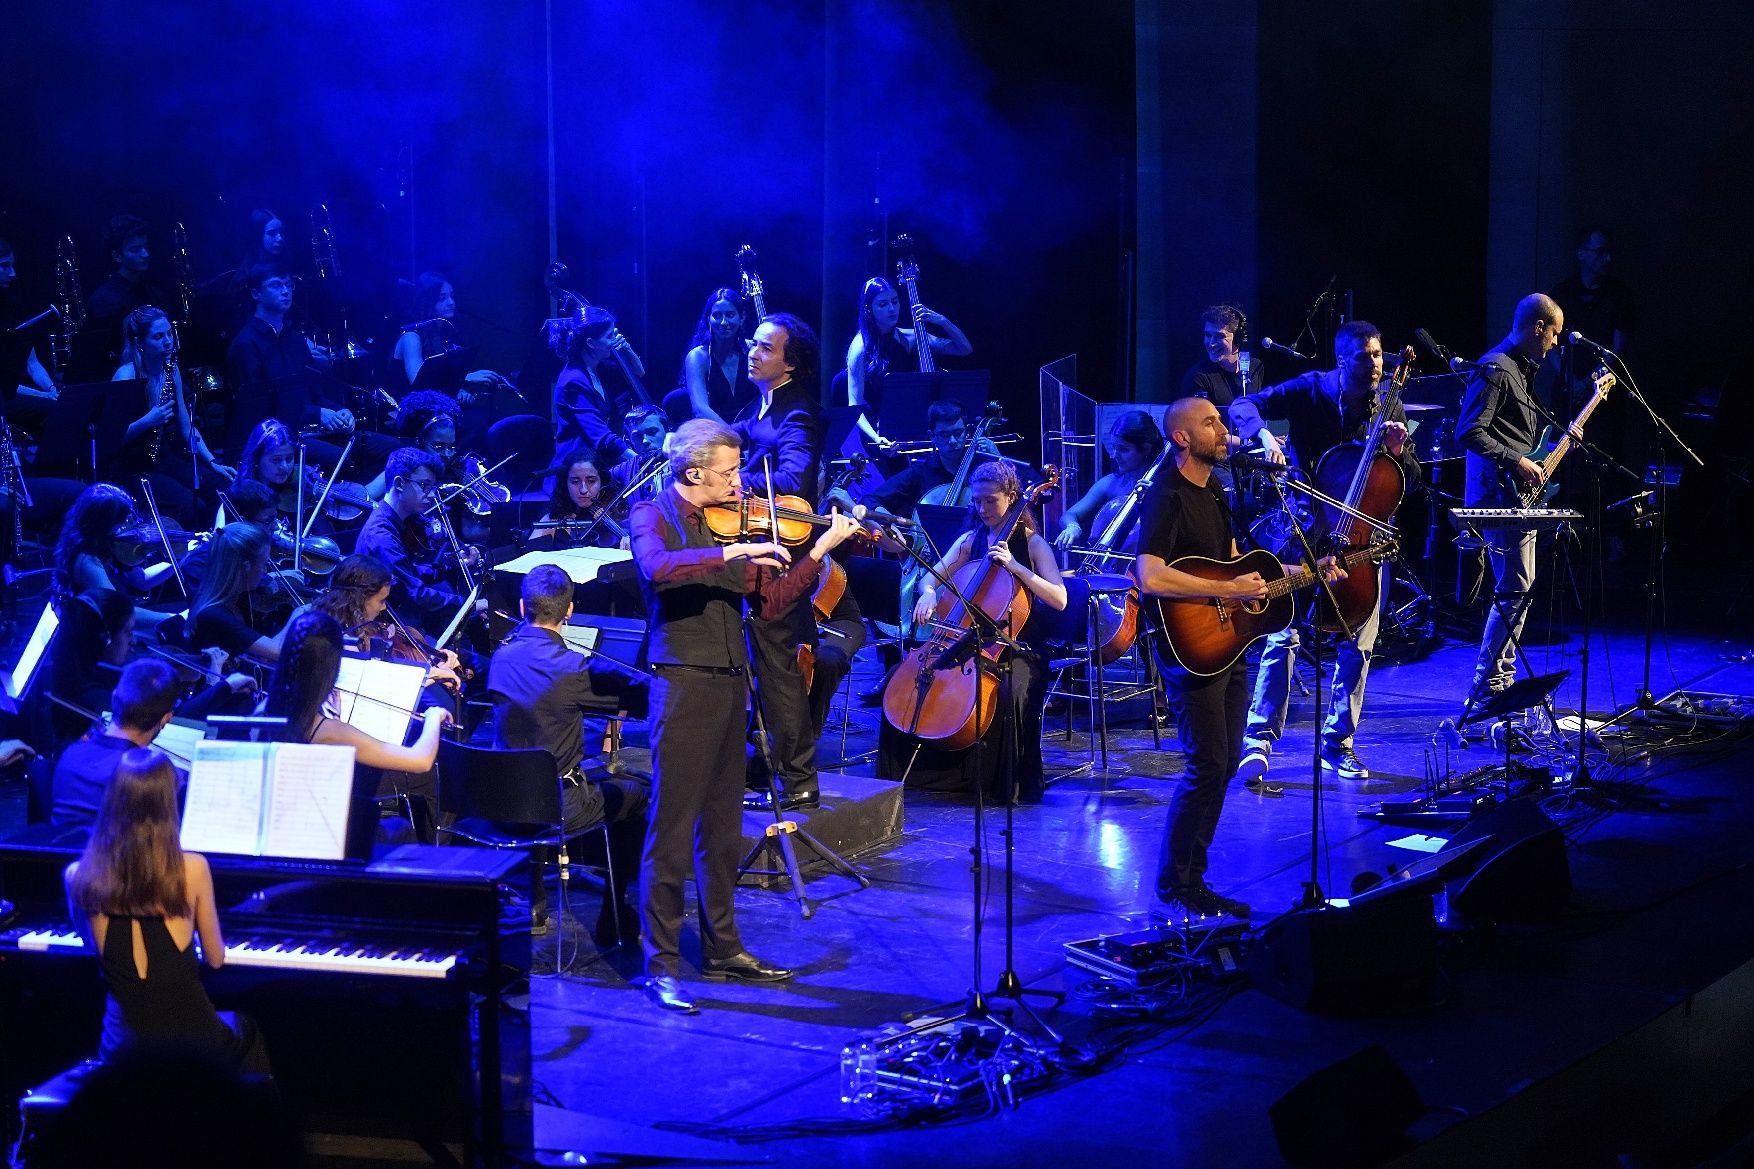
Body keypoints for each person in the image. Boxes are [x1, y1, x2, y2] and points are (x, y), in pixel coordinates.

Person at [628, 418, 862, 1012]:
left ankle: (724, 947)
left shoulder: (731, 524)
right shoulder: (652, 515)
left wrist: (822, 549)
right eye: (730, 473)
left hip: (733, 686)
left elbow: (774, 600)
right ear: (694, 472)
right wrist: (733, 550)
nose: (740, 485)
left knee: (723, 830)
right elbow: (659, 568)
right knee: (671, 829)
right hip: (680, 687)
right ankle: (659, 964)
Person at [1135, 397, 1343, 918]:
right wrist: (1227, 591)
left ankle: (1192, 881)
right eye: (1211, 422)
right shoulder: (1167, 494)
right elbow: (1150, 576)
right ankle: (1176, 886)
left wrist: (1305, 573)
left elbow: (1234, 568)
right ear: (1182, 437)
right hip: (1190, 649)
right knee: (1205, 765)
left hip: (1228, 644)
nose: (1224, 429)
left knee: (1223, 765)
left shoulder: (1218, 493)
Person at [1234, 320, 1419, 784]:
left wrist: (1399, 452)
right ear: (1342, 360)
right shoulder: (1310, 390)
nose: (1375, 364)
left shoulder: (1389, 401)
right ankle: (1258, 739)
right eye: (1365, 357)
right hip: (1307, 528)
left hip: (1362, 539)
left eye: (1379, 355)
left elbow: (1406, 481)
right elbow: (1244, 403)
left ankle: (1338, 744)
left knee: (1360, 640)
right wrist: (1262, 438)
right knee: (1284, 633)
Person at [63, 747, 271, 1072]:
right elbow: (216, 959)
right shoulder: (193, 867)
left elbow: (94, 947)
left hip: (121, 1047)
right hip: (192, 1041)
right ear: (169, 800)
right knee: (247, 1029)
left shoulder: (79, 874)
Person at [879, 459, 1067, 803]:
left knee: (1010, 689)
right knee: (899, 675)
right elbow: (930, 576)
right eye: (977, 501)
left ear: (1012, 497)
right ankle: (917, 774)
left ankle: (1003, 784)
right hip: (964, 641)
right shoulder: (970, 540)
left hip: (1015, 645)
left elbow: (1059, 598)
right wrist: (930, 593)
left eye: (990, 501)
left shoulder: (1033, 543)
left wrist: (1016, 568)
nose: (982, 509)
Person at [486, 563, 649, 942]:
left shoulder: (502, 657)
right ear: (570, 611)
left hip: (495, 801)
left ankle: (533, 902)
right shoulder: (572, 668)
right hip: (553, 807)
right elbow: (637, 691)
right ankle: (615, 917)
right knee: (638, 796)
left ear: (524, 609)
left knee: (539, 770)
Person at [1458, 293, 1572, 704]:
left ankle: (1498, 678)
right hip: (1499, 495)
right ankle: (1489, 683)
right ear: (1537, 326)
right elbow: (1469, 430)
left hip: (1517, 495)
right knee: (1516, 585)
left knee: (1520, 585)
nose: (1556, 343)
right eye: (1554, 333)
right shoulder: (1495, 368)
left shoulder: (1520, 371)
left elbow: (1515, 435)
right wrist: (1518, 461)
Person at [260, 610, 450, 833]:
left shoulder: (265, 709)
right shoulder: (327, 730)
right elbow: (420, 760)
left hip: (286, 819)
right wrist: (433, 718)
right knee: (402, 824)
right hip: (321, 831)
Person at [112, 305, 233, 521]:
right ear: (140, 342)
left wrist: (212, 461)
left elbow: (187, 428)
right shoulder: (126, 375)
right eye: (158, 336)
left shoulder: (171, 369)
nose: (168, 341)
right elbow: (112, 437)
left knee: (222, 488)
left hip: (167, 460)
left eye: (169, 333)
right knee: (190, 504)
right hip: (136, 468)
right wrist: (148, 421)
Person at [354, 447, 477, 635]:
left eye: (433, 487)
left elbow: (405, 573)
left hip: (403, 618)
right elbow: (415, 594)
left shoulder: (396, 523)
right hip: (385, 629)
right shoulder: (381, 535)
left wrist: (449, 565)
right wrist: (469, 605)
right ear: (400, 483)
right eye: (424, 485)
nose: (433, 494)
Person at [842, 276, 972, 450]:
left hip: (911, 425)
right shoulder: (859, 348)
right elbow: (854, 406)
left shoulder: (910, 337)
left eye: (895, 301)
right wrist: (877, 438)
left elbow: (964, 348)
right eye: (883, 304)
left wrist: (942, 320)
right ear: (868, 309)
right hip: (877, 431)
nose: (892, 309)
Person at [52, 659, 179, 827]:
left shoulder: (70, 754)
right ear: (166, 718)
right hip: (117, 854)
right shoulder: (152, 775)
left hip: (60, 852)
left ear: (113, 698)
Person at [1054, 409, 1165, 554]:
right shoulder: (1111, 482)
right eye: (1114, 448)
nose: (1115, 455)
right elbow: (1069, 515)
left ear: (1145, 449)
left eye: (1123, 449)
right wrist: (1072, 527)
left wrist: (1157, 499)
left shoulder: (1164, 486)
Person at [186, 522, 294, 665]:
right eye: (263, 564)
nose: (265, 572)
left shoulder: (241, 598)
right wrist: (299, 614)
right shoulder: (213, 614)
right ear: (246, 567)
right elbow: (277, 651)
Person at [551, 305, 645, 468]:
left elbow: (639, 373)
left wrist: (627, 348)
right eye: (609, 336)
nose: (614, 340)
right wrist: (638, 461)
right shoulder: (573, 381)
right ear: (591, 343)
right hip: (577, 467)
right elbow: (599, 434)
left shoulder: (599, 367)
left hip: (597, 459)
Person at [83, 215, 165, 376]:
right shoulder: (104, 300)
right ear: (117, 256)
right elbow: (103, 357)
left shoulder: (154, 293)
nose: (145, 254)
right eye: (135, 249)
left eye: (146, 247)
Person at [670, 287, 753, 424]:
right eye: (717, 316)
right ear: (708, 319)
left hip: (752, 428)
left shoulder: (753, 349)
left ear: (742, 317)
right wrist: (734, 436)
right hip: (714, 432)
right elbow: (700, 409)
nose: (724, 322)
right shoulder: (698, 357)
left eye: (730, 315)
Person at [531, 446, 626, 549]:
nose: (583, 490)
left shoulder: (620, 516)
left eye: (591, 481)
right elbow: (531, 560)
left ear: (602, 482)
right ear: (565, 484)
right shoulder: (552, 521)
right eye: (575, 482)